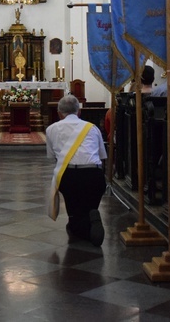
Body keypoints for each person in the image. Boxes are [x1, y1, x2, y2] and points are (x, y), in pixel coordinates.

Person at [46, 95, 107, 247]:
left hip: (70, 177)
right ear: (79, 112)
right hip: (95, 175)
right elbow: (102, 155)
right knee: (88, 205)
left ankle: (80, 226)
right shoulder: (92, 128)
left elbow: (52, 156)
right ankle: (93, 213)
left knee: (75, 213)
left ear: (59, 113)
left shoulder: (51, 129)